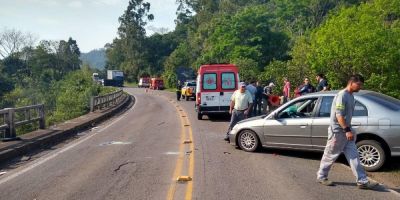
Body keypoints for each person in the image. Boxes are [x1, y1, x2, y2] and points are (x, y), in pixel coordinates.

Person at [316, 74, 378, 190]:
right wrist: (347, 130)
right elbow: (338, 115)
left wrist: (349, 130)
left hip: (346, 132)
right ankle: (321, 176)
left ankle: (362, 181)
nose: (360, 87)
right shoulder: (342, 95)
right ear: (351, 83)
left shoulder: (351, 96)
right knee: (330, 155)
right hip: (338, 132)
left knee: (354, 157)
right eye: (358, 84)